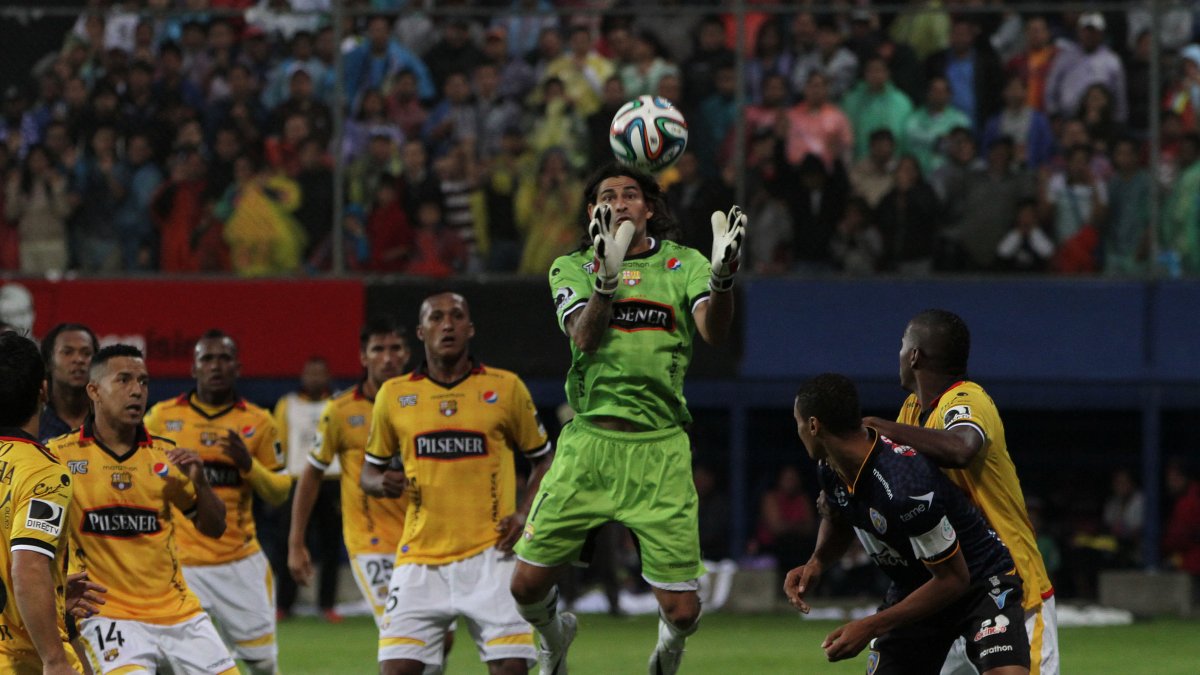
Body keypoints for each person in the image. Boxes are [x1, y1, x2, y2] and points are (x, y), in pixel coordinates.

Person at [509, 162, 744, 675]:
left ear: (649, 209)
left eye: (630, 194)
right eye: (607, 196)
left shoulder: (685, 264)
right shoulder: (569, 267)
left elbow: (714, 332)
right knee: (525, 586)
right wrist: (607, 282)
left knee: (684, 612)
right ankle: (552, 639)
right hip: (589, 444)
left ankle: (669, 647)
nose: (619, 202)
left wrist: (723, 282)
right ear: (593, 212)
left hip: (660, 449)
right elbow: (584, 338)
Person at [785, 373, 1030, 674]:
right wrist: (817, 562)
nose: (797, 432)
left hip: (979, 583)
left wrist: (869, 627)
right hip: (916, 588)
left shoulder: (904, 486)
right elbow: (840, 514)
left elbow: (953, 580)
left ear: (813, 425)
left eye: (796, 423)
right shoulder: (830, 466)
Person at [362, 293, 552, 675]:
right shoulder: (394, 395)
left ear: (470, 328)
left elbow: (544, 459)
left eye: (456, 316)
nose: (446, 324)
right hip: (419, 559)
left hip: (492, 554)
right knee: (396, 670)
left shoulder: (506, 387)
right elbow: (367, 472)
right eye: (435, 318)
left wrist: (525, 515)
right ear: (421, 331)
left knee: (512, 667)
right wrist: (381, 481)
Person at [863, 309, 1059, 675]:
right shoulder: (912, 411)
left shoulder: (969, 400)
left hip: (1011, 591)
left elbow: (962, 447)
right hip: (951, 596)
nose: (900, 352)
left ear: (916, 355)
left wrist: (878, 427)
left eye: (903, 344)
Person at [49, 345, 236, 674]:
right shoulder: (58, 456)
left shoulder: (168, 456)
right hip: (107, 616)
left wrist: (202, 485)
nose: (137, 391)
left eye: (143, 381)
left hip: (180, 614)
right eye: (123, 380)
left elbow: (215, 528)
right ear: (94, 390)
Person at [143, 330, 290, 675]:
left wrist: (247, 465)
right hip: (182, 564)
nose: (215, 366)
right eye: (207, 359)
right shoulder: (162, 418)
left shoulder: (258, 421)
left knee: (264, 664)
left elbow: (281, 491)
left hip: (239, 562)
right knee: (169, 663)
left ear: (237, 367)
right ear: (193, 369)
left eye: (223, 359)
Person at [288, 319, 411, 626]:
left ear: (407, 353)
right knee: (400, 625)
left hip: (422, 536)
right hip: (371, 540)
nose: (387, 357)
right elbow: (312, 473)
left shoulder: (423, 403)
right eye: (378, 349)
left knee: (440, 637)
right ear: (363, 357)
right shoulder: (341, 410)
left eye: (395, 348)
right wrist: (296, 541)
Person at [0, 332, 90, 674]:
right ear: (43, 390)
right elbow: (28, 567)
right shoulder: (44, 473)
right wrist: (54, 659)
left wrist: (54, 591)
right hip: (21, 659)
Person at [271, 356, 337, 622]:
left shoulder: (338, 404)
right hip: (298, 480)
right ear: (302, 376)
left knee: (331, 546)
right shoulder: (288, 405)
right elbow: (279, 446)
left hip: (332, 479)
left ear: (328, 377)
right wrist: (279, 482)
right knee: (290, 542)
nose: (315, 378)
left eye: (320, 373)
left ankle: (327, 606)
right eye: (310, 373)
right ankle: (284, 605)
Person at [39, 323, 99, 443]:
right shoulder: (34, 424)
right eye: (67, 352)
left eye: (86, 353)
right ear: (49, 362)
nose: (78, 359)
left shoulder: (109, 423)